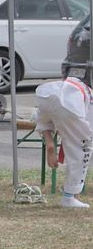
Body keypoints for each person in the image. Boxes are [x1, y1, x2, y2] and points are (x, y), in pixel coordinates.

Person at [34, 77, 92, 209]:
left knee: (44, 120)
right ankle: (69, 196)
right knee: (83, 147)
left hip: (47, 94)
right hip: (71, 103)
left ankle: (49, 143)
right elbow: (86, 133)